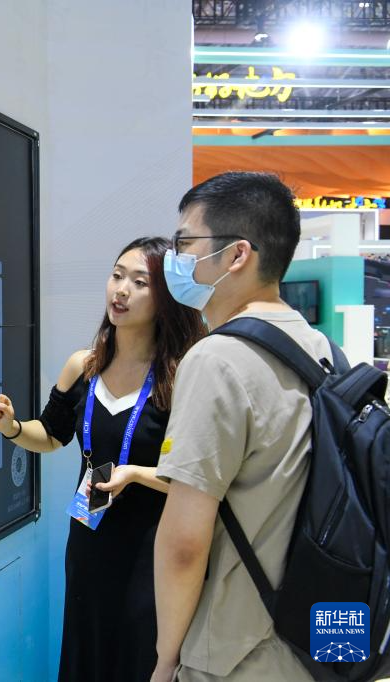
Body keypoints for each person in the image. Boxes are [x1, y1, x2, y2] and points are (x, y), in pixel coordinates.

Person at [0, 237, 205, 681]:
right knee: (87, 652)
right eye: (117, 275)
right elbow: (52, 434)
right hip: (89, 538)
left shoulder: (180, 375)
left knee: (139, 655)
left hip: (152, 548)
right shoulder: (83, 366)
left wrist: (136, 473)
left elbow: (196, 476)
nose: (120, 290)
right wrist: (12, 427)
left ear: (165, 298)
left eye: (139, 282)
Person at [151, 172, 333, 682]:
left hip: (239, 651)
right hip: (315, 641)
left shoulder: (217, 359)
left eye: (185, 244)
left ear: (236, 255)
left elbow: (184, 544)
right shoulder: (323, 351)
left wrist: (166, 659)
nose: (175, 259)